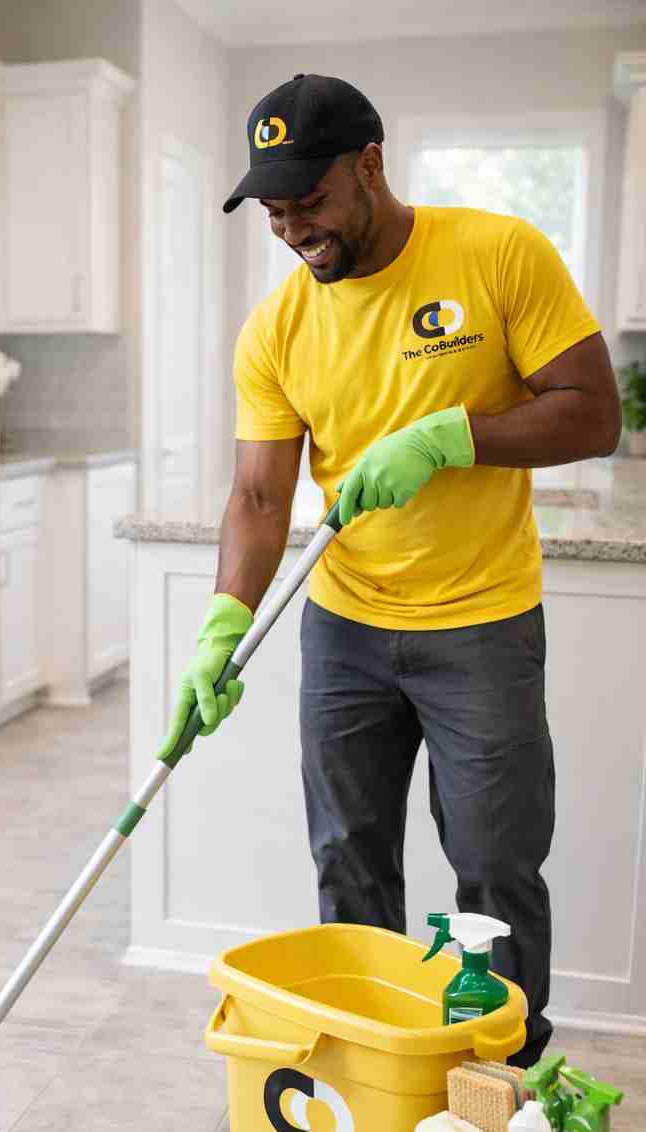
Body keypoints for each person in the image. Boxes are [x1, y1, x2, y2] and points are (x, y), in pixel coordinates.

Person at [159, 73, 621, 1069]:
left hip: (482, 626)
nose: (292, 229)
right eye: (273, 212)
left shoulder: (497, 252)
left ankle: (502, 1074)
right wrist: (219, 628)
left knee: (495, 866)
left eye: (308, 201)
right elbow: (255, 499)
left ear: (369, 161)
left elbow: (592, 413)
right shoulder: (278, 328)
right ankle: (377, 1067)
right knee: (348, 858)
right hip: (345, 630)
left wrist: (453, 435)